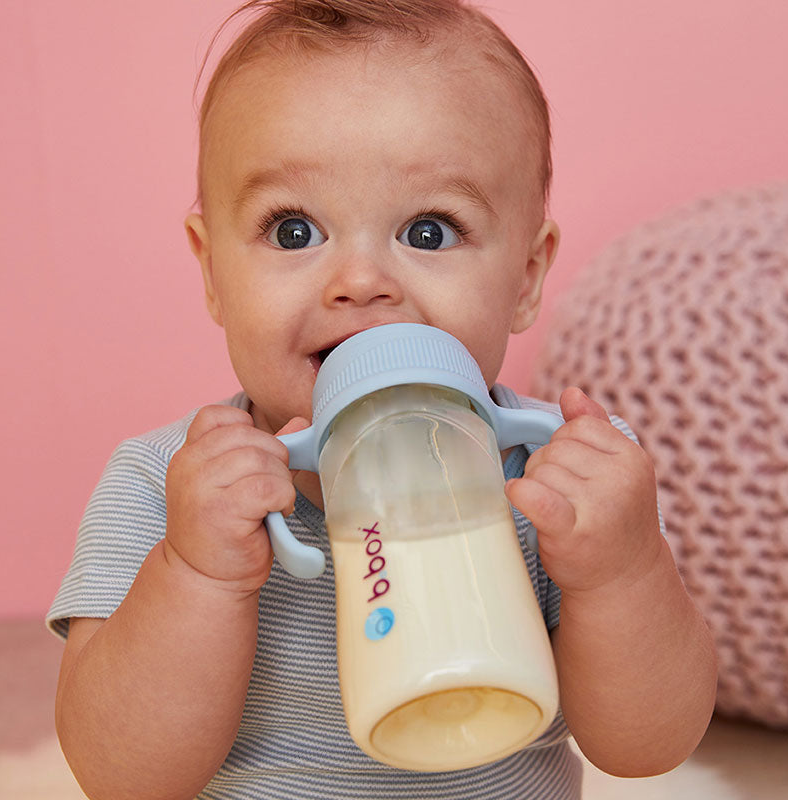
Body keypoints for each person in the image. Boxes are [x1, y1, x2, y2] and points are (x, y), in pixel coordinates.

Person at [48, 1, 718, 798]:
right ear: (211, 270)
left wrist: (619, 572)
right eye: (294, 231)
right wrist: (197, 572)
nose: (362, 282)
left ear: (527, 278)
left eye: (429, 231)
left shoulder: (563, 482)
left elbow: (647, 747)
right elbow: (119, 774)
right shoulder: (163, 485)